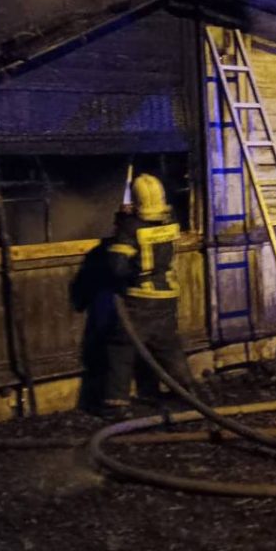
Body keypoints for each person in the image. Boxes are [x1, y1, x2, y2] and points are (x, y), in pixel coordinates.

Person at [101, 173, 194, 416]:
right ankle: (186, 394)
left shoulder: (131, 227)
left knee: (121, 346)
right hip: (167, 296)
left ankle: (116, 404)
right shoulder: (170, 220)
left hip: (138, 299)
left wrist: (121, 223)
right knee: (167, 346)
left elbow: (117, 267)